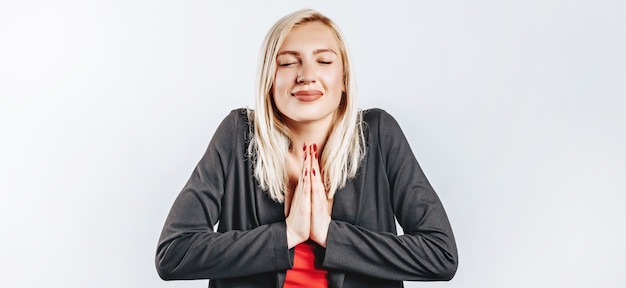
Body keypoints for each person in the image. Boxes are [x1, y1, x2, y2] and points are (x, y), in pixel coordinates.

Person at [155, 8, 457, 288]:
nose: (306, 75)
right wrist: (287, 235)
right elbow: (174, 253)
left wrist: (330, 236)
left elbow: (440, 255)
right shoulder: (238, 135)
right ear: (269, 81)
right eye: (287, 62)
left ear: (344, 80)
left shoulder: (377, 133)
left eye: (324, 61)